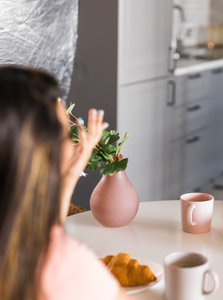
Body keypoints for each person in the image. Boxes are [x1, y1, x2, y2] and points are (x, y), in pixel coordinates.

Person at [0, 66, 130, 299]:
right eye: (64, 137)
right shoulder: (63, 268)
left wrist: (66, 180)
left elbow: (38, 232)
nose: (72, 147)